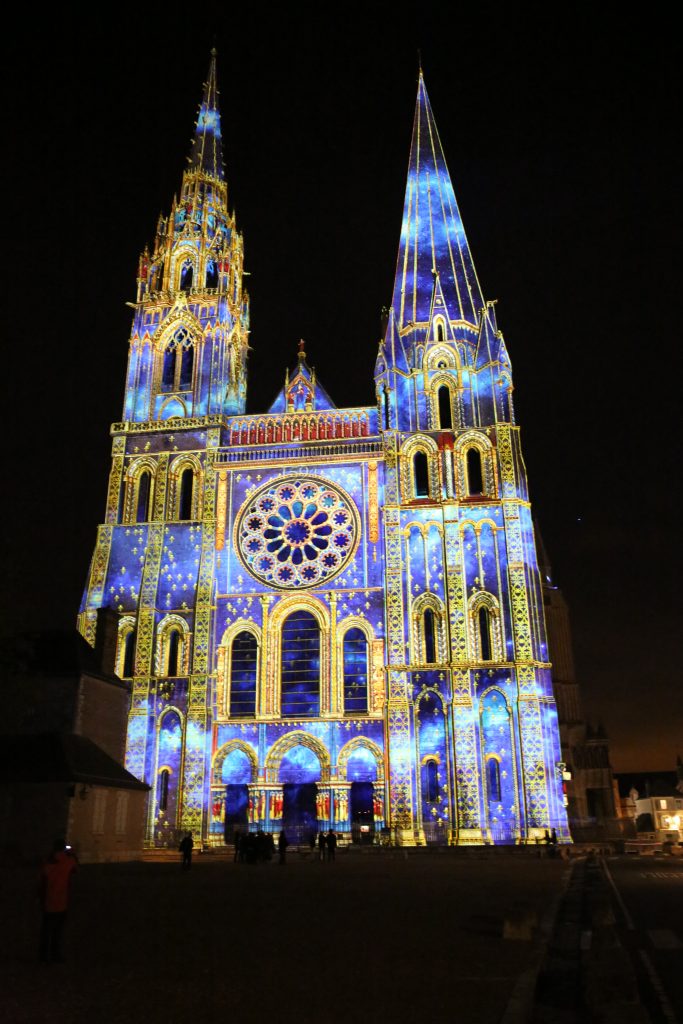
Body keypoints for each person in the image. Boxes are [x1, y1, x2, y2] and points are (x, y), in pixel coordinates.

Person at [39, 839, 78, 964]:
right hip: (61, 902)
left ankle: (43, 957)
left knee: (46, 931)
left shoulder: (48, 862)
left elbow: (42, 880)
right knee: (57, 932)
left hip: (48, 902)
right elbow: (76, 868)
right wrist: (71, 853)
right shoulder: (68, 862)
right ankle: (55, 955)